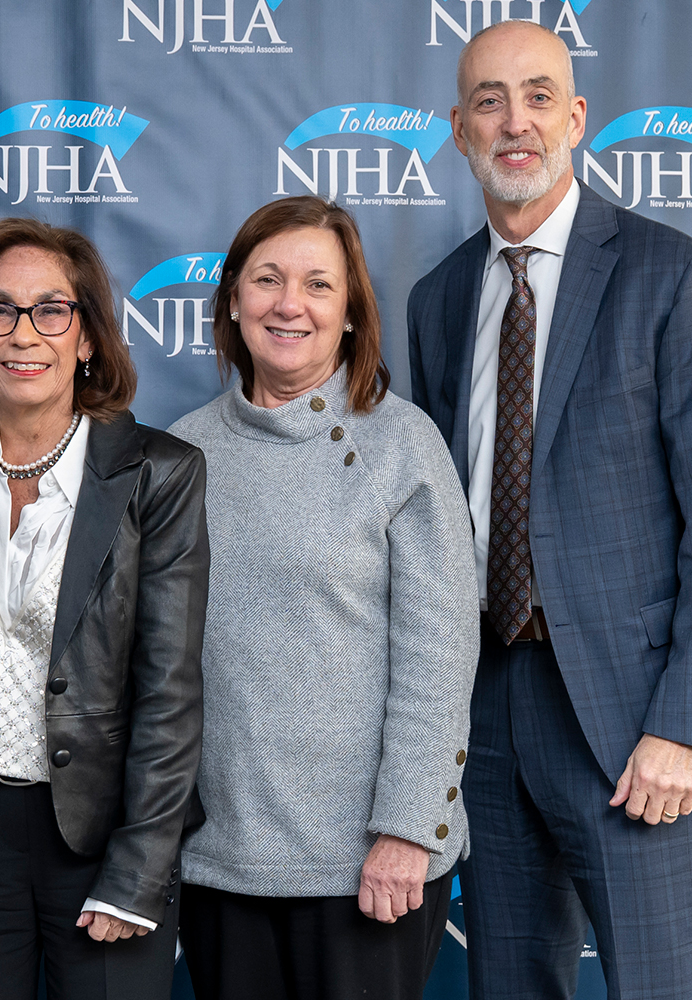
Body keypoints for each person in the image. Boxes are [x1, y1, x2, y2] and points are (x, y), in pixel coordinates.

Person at [406, 20, 692, 1000]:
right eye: (488, 100)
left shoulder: (669, 275)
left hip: (632, 722)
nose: (513, 120)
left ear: (576, 117)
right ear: (458, 129)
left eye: (536, 95)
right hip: (487, 715)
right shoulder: (439, 300)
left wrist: (687, 727)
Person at [167, 196, 479, 1000]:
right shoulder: (182, 451)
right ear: (233, 300)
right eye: (267, 279)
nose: (289, 304)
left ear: (348, 313)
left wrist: (408, 830)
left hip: (367, 870)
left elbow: (440, 657)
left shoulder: (401, 445)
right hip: (218, 865)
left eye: (317, 285)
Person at [0, 217, 208, 1000]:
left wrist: (139, 867)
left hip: (97, 831)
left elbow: (170, 692)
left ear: (89, 337)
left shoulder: (157, 475)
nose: (23, 333)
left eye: (52, 310)